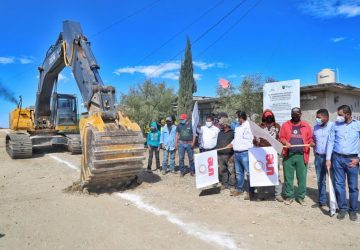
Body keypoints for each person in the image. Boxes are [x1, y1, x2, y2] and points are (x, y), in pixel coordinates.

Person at [326, 105, 360, 221]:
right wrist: (328, 159)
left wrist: (358, 158)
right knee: (339, 185)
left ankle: (353, 210)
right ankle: (343, 209)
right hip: (337, 159)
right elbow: (330, 142)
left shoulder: (357, 125)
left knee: (353, 187)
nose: (338, 117)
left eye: (340, 115)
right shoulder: (335, 125)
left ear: (348, 114)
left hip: (352, 160)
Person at [280, 107, 314, 206]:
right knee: (288, 177)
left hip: (301, 155)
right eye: (293, 114)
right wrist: (285, 142)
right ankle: (289, 196)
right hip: (288, 155)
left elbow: (310, 138)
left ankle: (301, 197)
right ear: (291, 114)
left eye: (297, 114)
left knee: (302, 178)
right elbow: (281, 137)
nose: (295, 116)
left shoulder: (306, 125)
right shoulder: (285, 125)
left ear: (300, 114)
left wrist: (311, 142)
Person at [253, 109, 283, 202]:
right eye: (267, 121)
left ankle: (278, 194)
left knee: (275, 173)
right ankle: (261, 194)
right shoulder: (259, 127)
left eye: (270, 120)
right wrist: (256, 141)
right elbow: (254, 139)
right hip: (262, 153)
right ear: (264, 119)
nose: (269, 123)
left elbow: (280, 138)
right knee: (261, 173)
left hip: (274, 154)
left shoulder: (277, 126)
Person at [227, 111, 255, 200]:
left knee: (249, 173)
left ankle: (251, 191)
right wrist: (231, 144)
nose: (236, 119)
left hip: (245, 153)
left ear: (241, 118)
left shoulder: (249, 126)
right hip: (237, 153)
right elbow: (236, 139)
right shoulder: (237, 127)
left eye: (237, 118)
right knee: (239, 173)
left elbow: (252, 139)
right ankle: (240, 189)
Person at [313, 109, 333, 208]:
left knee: (333, 180)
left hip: (331, 158)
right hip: (318, 157)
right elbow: (313, 140)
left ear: (326, 118)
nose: (317, 119)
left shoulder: (333, 126)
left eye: (319, 117)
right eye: (316, 117)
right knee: (320, 180)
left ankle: (335, 203)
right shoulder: (315, 128)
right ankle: (322, 201)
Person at [216, 117, 235, 191]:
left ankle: (232, 185)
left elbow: (234, 143)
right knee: (223, 170)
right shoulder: (220, 132)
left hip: (229, 155)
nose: (220, 125)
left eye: (222, 124)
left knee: (231, 171)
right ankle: (224, 184)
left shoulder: (232, 133)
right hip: (220, 155)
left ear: (226, 125)